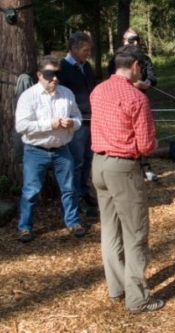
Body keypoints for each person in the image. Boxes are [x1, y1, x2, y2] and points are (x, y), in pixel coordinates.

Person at [90, 44, 165, 313]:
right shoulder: (137, 98)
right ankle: (138, 299)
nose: (142, 72)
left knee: (110, 230)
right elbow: (145, 146)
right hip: (122, 169)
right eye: (141, 67)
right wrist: (153, 141)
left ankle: (117, 288)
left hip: (98, 165)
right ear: (135, 66)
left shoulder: (97, 90)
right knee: (136, 233)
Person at [15, 55, 86, 243]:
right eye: (49, 74)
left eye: (57, 74)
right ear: (39, 75)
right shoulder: (28, 96)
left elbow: (79, 119)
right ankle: (25, 227)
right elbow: (21, 126)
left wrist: (72, 123)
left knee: (70, 188)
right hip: (34, 150)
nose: (55, 78)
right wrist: (50, 124)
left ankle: (73, 222)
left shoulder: (67, 94)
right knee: (31, 191)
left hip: (62, 150)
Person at [108, 28, 158, 182]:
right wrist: (130, 84)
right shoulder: (115, 59)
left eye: (137, 39)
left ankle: (146, 168)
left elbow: (153, 78)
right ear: (124, 41)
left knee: (144, 134)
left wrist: (146, 84)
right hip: (120, 105)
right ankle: (130, 168)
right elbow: (111, 79)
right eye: (131, 40)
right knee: (126, 135)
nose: (135, 42)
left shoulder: (145, 58)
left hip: (141, 101)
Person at [58, 31, 98, 215]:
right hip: (75, 121)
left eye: (89, 50)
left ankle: (84, 190)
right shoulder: (62, 68)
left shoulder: (86, 66)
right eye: (84, 49)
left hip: (92, 118)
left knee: (89, 158)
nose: (87, 53)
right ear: (73, 49)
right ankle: (74, 197)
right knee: (77, 160)